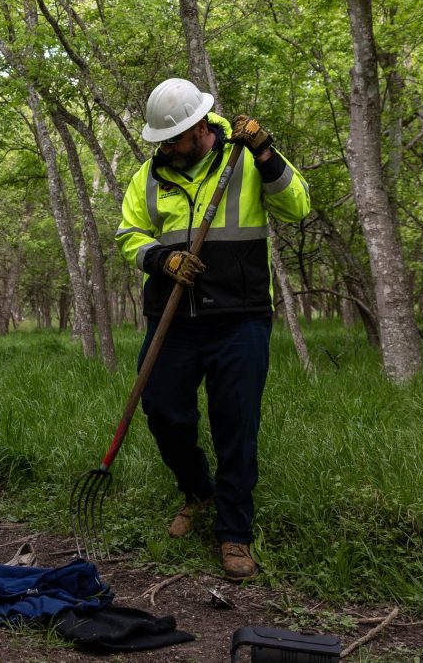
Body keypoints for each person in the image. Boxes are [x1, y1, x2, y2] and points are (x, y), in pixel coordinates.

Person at [114, 78, 310, 580]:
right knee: (162, 412)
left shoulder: (246, 158)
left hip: (239, 318)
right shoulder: (149, 176)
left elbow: (297, 207)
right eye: (161, 141)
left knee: (235, 426)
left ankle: (234, 533)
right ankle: (198, 492)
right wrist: (162, 258)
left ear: (199, 128)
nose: (166, 149)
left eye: (173, 140)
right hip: (172, 318)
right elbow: (128, 235)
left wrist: (265, 152)